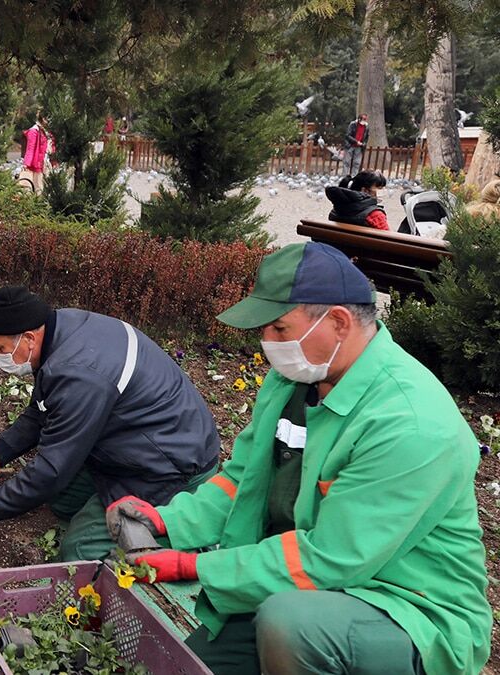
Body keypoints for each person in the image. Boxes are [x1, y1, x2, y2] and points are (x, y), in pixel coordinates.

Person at [109, 242, 491, 675]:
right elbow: (243, 479)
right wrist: (169, 522)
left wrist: (190, 564)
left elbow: (332, 557)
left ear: (339, 322)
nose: (267, 343)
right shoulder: (295, 379)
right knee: (184, 664)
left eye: (279, 329)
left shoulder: (411, 424)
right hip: (306, 589)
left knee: (289, 625)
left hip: (407, 607)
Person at [0, 286, 221, 562]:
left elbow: (51, 471)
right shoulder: (61, 329)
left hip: (170, 465)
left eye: (0, 349)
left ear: (29, 338)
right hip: (140, 437)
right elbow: (43, 408)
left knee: (79, 551)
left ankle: (187, 541)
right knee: (62, 502)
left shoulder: (79, 372)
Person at [21, 113, 51, 193]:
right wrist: (26, 164)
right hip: (36, 165)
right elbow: (30, 149)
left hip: (43, 164)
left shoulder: (45, 131)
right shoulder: (34, 131)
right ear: (42, 118)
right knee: (37, 189)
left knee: (42, 189)